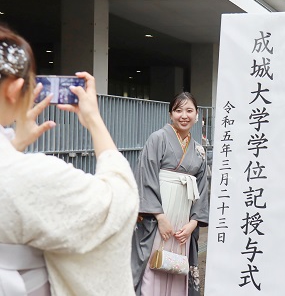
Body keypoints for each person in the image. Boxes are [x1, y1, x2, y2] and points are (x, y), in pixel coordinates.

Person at [0, 25, 139, 295]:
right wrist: (94, 120)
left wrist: (15, 144)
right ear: (15, 89)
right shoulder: (30, 175)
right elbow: (118, 202)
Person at [131, 92, 209, 296]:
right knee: (152, 264)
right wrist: (159, 216)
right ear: (170, 114)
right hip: (159, 217)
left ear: (197, 115)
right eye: (178, 110)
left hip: (183, 220)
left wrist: (193, 223)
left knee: (177, 267)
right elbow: (145, 176)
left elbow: (202, 189)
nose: (184, 115)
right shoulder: (157, 139)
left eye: (189, 111)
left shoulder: (199, 150)